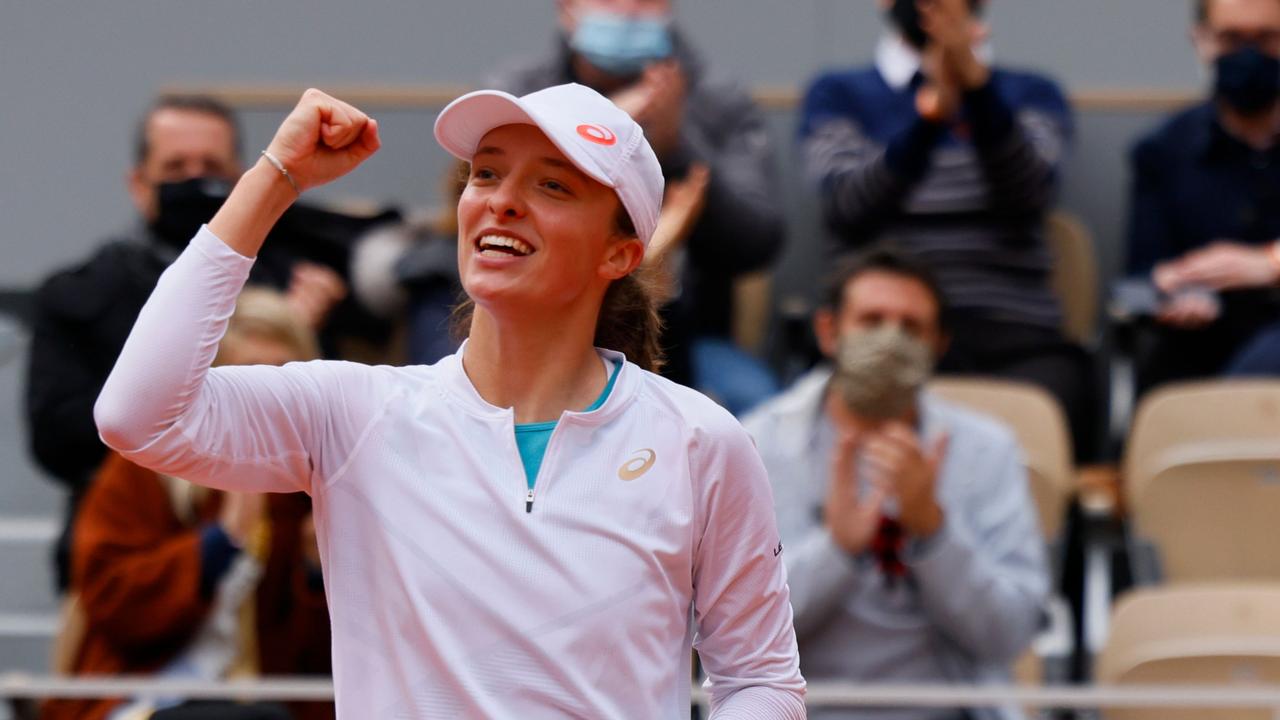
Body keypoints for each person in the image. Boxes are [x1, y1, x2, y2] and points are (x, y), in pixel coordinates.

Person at [93, 84, 805, 717]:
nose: (500, 199)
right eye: (486, 173)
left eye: (552, 186)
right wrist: (276, 179)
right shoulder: (356, 410)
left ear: (618, 255)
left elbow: (761, 678)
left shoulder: (699, 439)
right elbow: (136, 415)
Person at [25, 95, 354, 589]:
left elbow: (337, 431)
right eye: (176, 167)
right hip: (130, 551)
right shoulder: (80, 292)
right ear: (139, 184)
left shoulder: (297, 282)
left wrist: (294, 338)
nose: (196, 178)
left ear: (241, 176)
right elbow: (56, 438)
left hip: (276, 569)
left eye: (212, 166)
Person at [744, 248, 1047, 720]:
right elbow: (735, 635)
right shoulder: (754, 445)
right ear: (829, 331)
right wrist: (837, 550)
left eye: (911, 327)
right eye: (871, 321)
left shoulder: (987, 449)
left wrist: (934, 531)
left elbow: (1007, 636)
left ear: (939, 345)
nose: (890, 340)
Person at [800, 0, 1095, 459]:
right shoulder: (837, 93)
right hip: (881, 330)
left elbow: (1030, 194)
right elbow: (850, 204)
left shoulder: (1031, 92)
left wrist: (977, 91)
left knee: (1049, 426)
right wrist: (929, 122)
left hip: (1012, 335)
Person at [42, 289, 332, 720]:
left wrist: (314, 573)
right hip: (142, 696)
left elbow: (315, 661)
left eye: (282, 378)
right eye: (250, 375)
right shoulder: (147, 465)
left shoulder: (311, 488)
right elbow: (112, 603)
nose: (268, 400)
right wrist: (218, 545)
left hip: (260, 701)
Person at [488, 0, 783, 413]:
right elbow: (466, 204)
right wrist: (597, 134)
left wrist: (677, 147)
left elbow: (759, 239)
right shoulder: (519, 90)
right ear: (566, 8)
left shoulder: (715, 97)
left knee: (742, 408)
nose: (626, 9)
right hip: (529, 327)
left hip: (685, 333)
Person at [1126, 0, 1280, 388]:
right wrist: (1172, 288)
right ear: (1202, 42)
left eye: (1266, 38)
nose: (1248, 54)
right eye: (1231, 38)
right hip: (1200, 345)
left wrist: (1268, 264)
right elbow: (1141, 274)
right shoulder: (1163, 149)